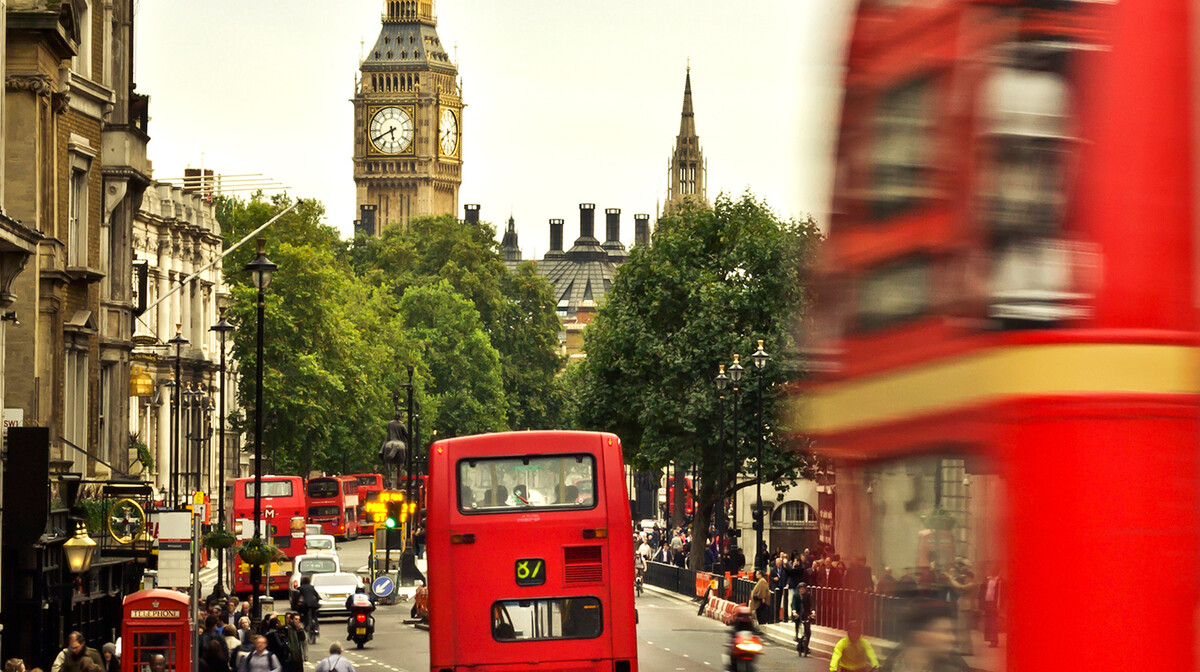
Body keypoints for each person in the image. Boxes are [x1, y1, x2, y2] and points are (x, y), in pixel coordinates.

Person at [881, 600, 970, 672]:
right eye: (945, 631)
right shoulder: (892, 663)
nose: (952, 638)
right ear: (921, 636)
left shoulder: (956, 667)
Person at [792, 583, 815, 657]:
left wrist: (813, 612)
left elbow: (812, 604)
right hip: (798, 614)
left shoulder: (808, 595)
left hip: (806, 614)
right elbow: (793, 604)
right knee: (798, 627)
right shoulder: (796, 596)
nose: (802, 590)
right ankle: (797, 639)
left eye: (803, 589)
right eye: (800, 589)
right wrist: (794, 611)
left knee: (808, 631)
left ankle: (806, 646)